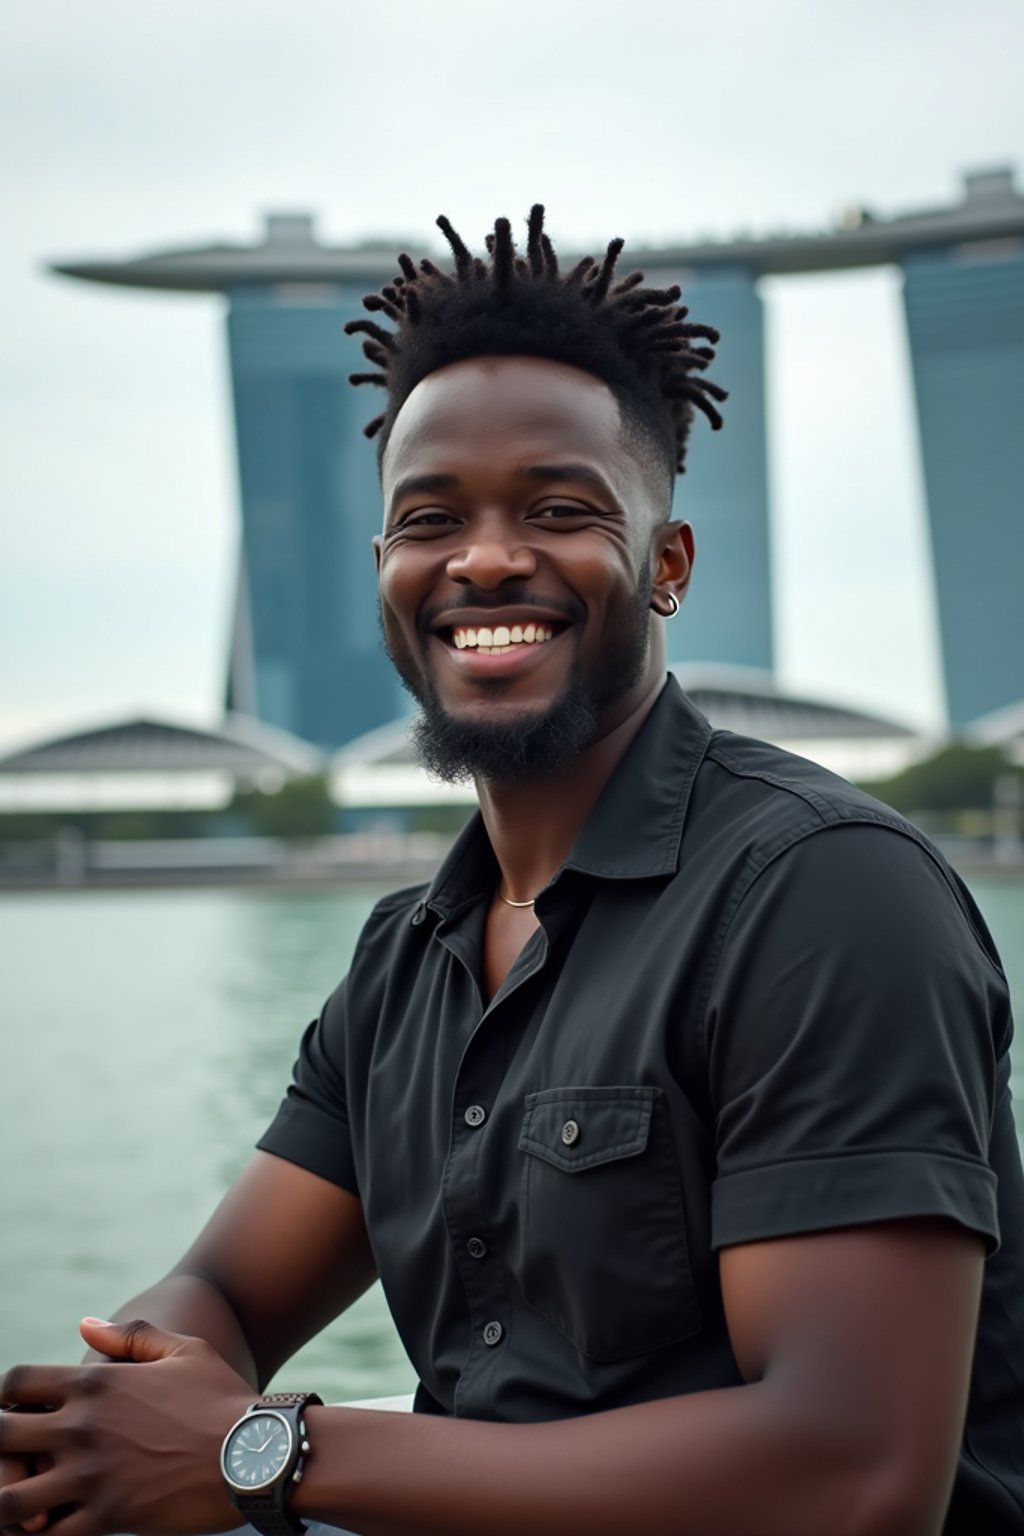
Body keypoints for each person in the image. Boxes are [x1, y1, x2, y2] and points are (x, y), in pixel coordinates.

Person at [2, 206, 1023, 1536]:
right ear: (384, 574)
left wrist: (266, 1451)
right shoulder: (407, 955)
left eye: (557, 509)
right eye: (432, 518)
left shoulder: (821, 895)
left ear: (665, 566)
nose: (484, 557)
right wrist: (118, 1414)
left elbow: (850, 1474)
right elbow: (231, 1296)